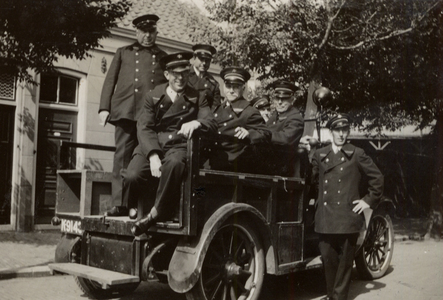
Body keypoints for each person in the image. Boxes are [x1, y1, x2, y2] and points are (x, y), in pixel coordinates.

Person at [113, 52, 216, 235]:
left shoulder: (197, 97)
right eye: (175, 74)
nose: (180, 78)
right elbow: (144, 127)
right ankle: (131, 206)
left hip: (179, 146)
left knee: (175, 164)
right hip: (153, 143)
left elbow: (210, 121)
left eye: (184, 73)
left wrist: (197, 122)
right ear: (167, 75)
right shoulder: (153, 95)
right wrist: (153, 155)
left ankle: (156, 212)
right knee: (132, 175)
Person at [99, 14, 167, 214]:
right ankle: (119, 204)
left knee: (144, 159)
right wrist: (104, 108)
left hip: (150, 116)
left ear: (156, 32)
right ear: (136, 32)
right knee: (122, 156)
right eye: (143, 31)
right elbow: (110, 80)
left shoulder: (163, 57)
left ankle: (139, 205)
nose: (147, 36)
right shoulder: (123, 52)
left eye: (151, 31)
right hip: (125, 110)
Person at [311, 113, 384, 300]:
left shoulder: (357, 153)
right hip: (326, 220)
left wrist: (367, 201)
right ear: (331, 132)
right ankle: (332, 296)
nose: (341, 134)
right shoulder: (320, 154)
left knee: (344, 268)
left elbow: (378, 178)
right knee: (329, 264)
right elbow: (313, 181)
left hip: (347, 219)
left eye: (345, 130)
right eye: (337, 130)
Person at [209, 66, 271, 173]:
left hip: (231, 165)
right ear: (224, 87)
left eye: (236, 87)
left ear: (243, 88)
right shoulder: (218, 108)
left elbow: (266, 133)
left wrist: (249, 133)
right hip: (212, 160)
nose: (231, 91)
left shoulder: (249, 111)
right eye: (228, 86)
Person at [264, 81, 304, 176]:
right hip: (269, 165)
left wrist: (263, 134)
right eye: (277, 98)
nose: (280, 102)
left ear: (292, 99)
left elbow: (285, 138)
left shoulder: (295, 117)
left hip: (284, 170)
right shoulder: (275, 115)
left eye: (284, 99)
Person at [188, 44, 221, 108]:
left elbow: (215, 108)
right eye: (201, 59)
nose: (204, 63)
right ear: (194, 58)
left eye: (207, 60)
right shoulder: (185, 75)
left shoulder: (213, 84)